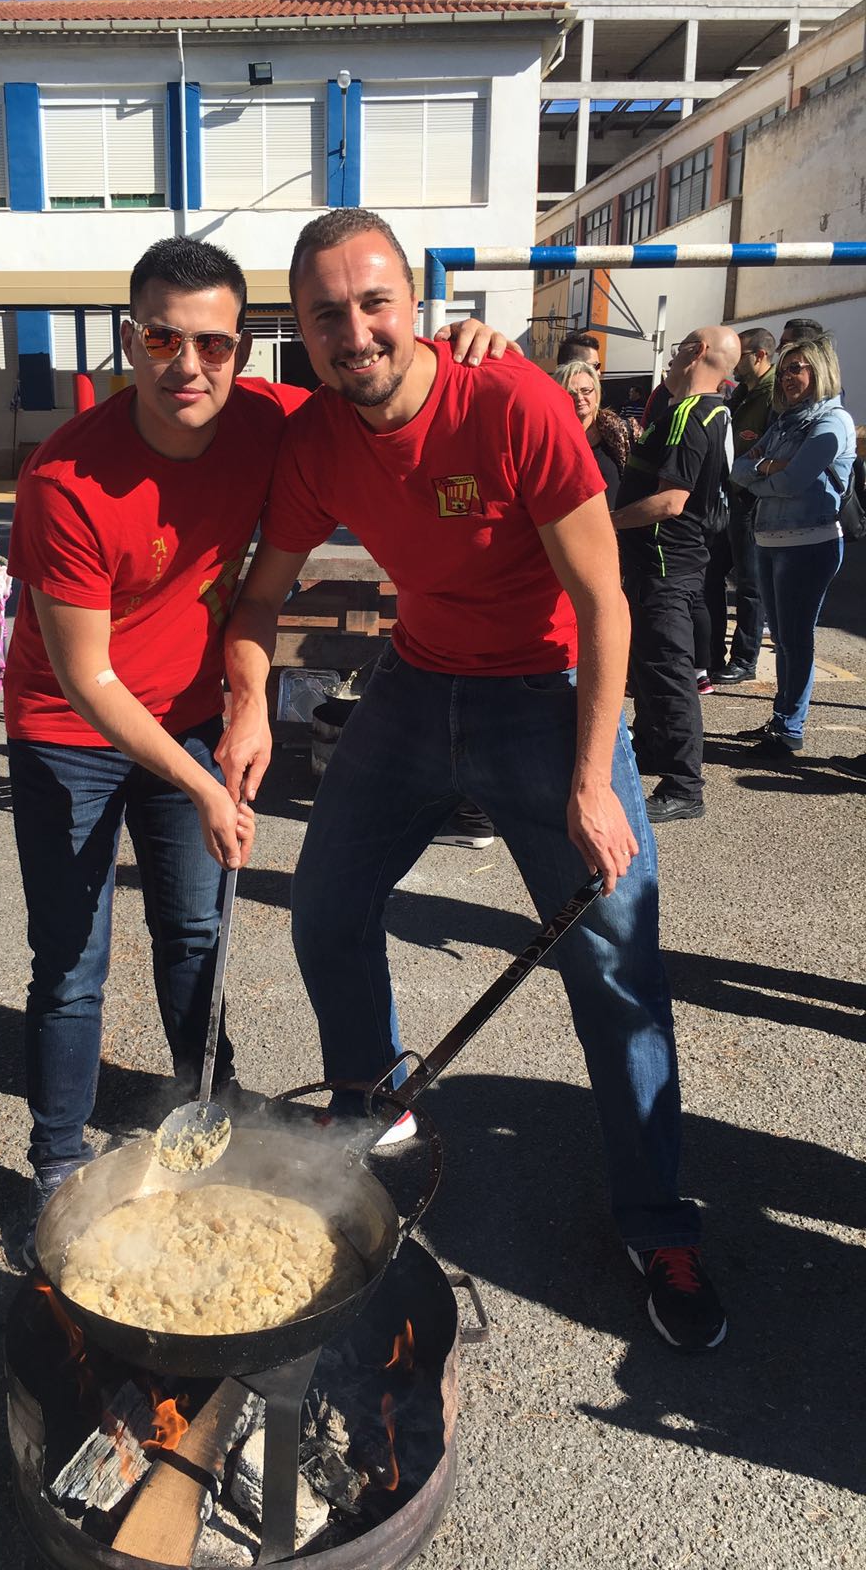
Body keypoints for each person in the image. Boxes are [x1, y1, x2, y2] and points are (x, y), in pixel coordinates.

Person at [219, 208, 726, 1352]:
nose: (355, 331)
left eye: (375, 302)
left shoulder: (511, 400)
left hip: (547, 696)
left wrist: (593, 779)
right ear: (301, 328)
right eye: (327, 314)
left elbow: (605, 602)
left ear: (416, 302)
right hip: (416, 683)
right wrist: (246, 701)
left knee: (616, 963)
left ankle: (658, 1223)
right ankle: (376, 1120)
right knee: (326, 907)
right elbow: (259, 596)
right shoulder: (318, 437)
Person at [1, 233, 508, 1268]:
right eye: (162, 340)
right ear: (129, 341)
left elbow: (385, 387)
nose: (188, 366)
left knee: (196, 933)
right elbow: (89, 679)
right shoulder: (65, 478)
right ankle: (56, 1160)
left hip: (187, 711)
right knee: (72, 959)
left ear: (244, 348)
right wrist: (202, 781)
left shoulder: (270, 420)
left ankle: (209, 1106)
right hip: (69, 730)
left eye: (215, 345)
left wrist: (470, 351)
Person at [610, 326, 738, 822]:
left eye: (681, 345)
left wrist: (606, 522)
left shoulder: (690, 414)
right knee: (649, 665)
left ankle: (684, 786)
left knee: (669, 672)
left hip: (665, 564)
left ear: (697, 352)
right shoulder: (714, 412)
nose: (671, 356)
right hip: (671, 564)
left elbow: (670, 501)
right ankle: (650, 748)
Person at [729, 334, 855, 756]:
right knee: (782, 639)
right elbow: (738, 468)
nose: (786, 377)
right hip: (769, 538)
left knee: (796, 639)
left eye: (796, 368)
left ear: (820, 370)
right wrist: (771, 467)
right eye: (783, 370)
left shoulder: (831, 422)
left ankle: (788, 728)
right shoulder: (786, 421)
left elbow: (794, 481)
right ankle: (782, 719)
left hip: (809, 542)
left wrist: (763, 472)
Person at [707, 328, 775, 683]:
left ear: (760, 356)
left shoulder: (771, 395)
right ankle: (711, 652)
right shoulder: (744, 393)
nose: (735, 361)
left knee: (750, 585)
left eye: (742, 354)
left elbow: (770, 451)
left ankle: (745, 659)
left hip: (751, 502)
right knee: (711, 574)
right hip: (729, 499)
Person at [551, 359, 631, 510]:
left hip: (617, 522)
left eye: (586, 390)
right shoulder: (551, 440)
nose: (579, 398)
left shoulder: (619, 432)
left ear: (596, 392)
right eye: (571, 393)